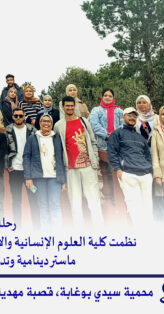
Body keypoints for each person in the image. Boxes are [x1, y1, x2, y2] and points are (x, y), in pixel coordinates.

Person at [54, 96, 104, 228]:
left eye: (72, 105)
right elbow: (58, 148)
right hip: (71, 169)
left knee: (94, 200)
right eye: (67, 106)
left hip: (88, 166)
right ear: (63, 107)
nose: (70, 108)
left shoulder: (84, 121)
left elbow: (93, 141)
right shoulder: (58, 126)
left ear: (75, 106)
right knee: (75, 203)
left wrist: (95, 161)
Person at [107, 107, 154, 225]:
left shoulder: (140, 137)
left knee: (147, 205)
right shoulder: (117, 134)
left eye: (135, 116)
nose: (132, 118)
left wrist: (150, 171)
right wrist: (118, 169)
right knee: (134, 206)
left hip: (145, 174)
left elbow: (147, 155)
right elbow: (112, 153)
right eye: (130, 115)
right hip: (128, 174)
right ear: (124, 116)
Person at [23, 114, 66, 230]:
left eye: (48, 121)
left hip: (54, 178)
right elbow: (26, 157)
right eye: (44, 121)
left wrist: (63, 180)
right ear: (40, 123)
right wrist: (28, 177)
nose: (46, 123)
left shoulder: (57, 138)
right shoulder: (32, 139)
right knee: (43, 206)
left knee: (55, 204)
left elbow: (61, 159)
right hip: (39, 178)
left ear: (52, 124)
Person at [5, 107, 39, 228]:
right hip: (14, 170)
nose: (18, 118)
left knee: (34, 199)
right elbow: (5, 149)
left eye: (21, 115)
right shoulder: (8, 130)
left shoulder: (32, 130)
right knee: (16, 200)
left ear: (24, 116)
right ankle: (17, 228)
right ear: (13, 117)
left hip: (29, 171)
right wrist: (8, 165)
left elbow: (37, 149)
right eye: (16, 116)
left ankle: (37, 228)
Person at [89, 88, 124, 203]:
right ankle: (109, 199)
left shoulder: (119, 111)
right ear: (102, 97)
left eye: (110, 96)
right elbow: (95, 124)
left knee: (117, 171)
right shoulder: (96, 110)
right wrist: (107, 135)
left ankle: (118, 199)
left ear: (113, 98)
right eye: (105, 95)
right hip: (102, 145)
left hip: (117, 146)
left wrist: (114, 136)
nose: (108, 97)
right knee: (105, 173)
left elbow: (122, 124)